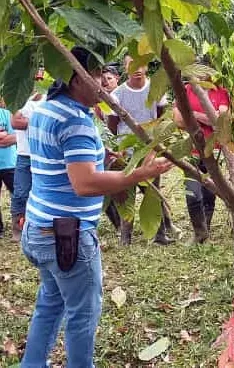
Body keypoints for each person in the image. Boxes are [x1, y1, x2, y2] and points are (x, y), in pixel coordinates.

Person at [20, 47, 173, 368]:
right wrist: (139, 174)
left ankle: (31, 364)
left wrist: (109, 158)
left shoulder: (47, 110)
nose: (105, 82)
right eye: (97, 74)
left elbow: (68, 160)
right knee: (82, 315)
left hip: (38, 230)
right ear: (75, 78)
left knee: (51, 303)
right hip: (67, 237)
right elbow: (85, 183)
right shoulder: (75, 120)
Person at [108, 55, 175, 245]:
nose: (136, 68)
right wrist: (122, 142)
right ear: (125, 68)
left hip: (150, 148)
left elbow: (160, 115)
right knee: (125, 193)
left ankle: (160, 234)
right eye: (131, 64)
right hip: (127, 151)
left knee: (152, 192)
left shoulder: (156, 88)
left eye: (140, 64)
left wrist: (154, 141)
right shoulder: (118, 94)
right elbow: (113, 124)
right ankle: (125, 237)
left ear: (146, 66)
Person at [173, 73, 229, 243]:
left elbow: (220, 121)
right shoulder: (186, 90)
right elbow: (178, 120)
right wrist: (205, 116)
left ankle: (206, 231)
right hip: (191, 151)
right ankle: (199, 232)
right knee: (192, 193)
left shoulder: (220, 91)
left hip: (214, 151)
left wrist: (192, 114)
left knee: (209, 194)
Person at [10, 91, 46, 241]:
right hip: (25, 155)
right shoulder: (21, 101)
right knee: (21, 193)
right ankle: (18, 228)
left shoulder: (48, 98)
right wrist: (41, 121)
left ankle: (41, 226)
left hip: (44, 154)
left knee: (44, 191)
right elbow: (16, 122)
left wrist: (30, 121)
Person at [0, 99, 17, 239]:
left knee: (17, 195)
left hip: (9, 164)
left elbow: (14, 138)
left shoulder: (6, 114)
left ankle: (19, 227)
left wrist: (6, 138)